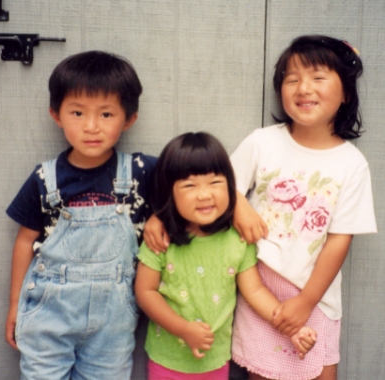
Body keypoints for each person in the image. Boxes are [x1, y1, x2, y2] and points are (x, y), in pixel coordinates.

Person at [230, 35, 377, 380]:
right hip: (258, 286)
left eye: (318, 77)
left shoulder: (351, 163)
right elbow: (224, 185)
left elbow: (340, 239)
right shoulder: (262, 141)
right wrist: (240, 207)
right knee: (263, 372)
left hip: (315, 292)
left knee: (320, 370)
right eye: (292, 79)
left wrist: (307, 301)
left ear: (345, 94)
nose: (303, 87)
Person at [5, 51, 156, 379]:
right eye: (77, 112)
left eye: (106, 114)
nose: (91, 127)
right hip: (48, 314)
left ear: (128, 119)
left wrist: (159, 215)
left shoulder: (141, 172)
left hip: (113, 324)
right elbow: (24, 240)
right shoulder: (45, 179)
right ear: (56, 115)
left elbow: (195, 179)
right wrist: (15, 304)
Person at [135, 132, 316, 380]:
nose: (205, 194)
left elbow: (255, 291)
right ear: (169, 192)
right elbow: (145, 292)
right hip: (167, 361)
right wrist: (184, 329)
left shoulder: (236, 239)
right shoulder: (162, 238)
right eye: (190, 185)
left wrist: (290, 328)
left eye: (215, 183)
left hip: (216, 362)